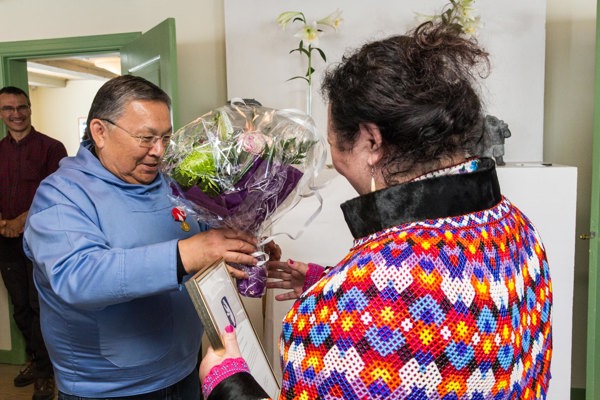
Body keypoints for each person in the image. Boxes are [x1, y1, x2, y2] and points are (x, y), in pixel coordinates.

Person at [198, 19, 553, 400]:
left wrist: (227, 382)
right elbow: (455, 316)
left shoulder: (346, 311)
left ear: (371, 141)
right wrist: (333, 280)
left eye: (333, 141)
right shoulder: (517, 226)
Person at [23, 75, 263, 400]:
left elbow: (205, 242)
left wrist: (238, 249)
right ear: (100, 131)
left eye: (166, 137)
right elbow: (76, 277)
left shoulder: (173, 185)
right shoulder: (61, 195)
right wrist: (185, 254)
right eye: (146, 138)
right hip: (109, 390)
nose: (159, 151)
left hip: (186, 370)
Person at [0, 86, 67, 400]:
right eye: (8, 108)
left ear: (29, 108)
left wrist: (19, 222)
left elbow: (55, 196)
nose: (16, 114)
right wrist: (3, 223)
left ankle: (46, 373)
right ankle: (36, 360)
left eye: (21, 107)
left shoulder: (52, 148)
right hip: (6, 243)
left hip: (42, 241)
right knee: (20, 308)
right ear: (1, 113)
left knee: (42, 307)